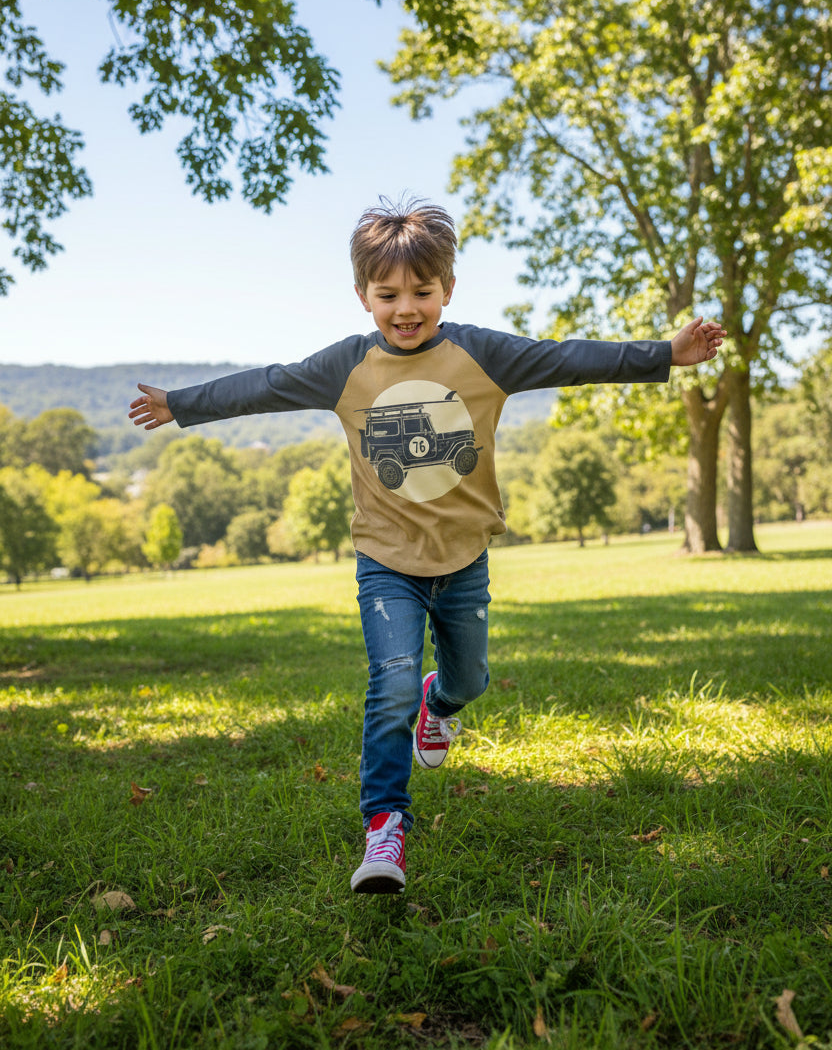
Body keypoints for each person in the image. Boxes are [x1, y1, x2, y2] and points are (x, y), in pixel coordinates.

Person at [128, 198, 726, 895]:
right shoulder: (346, 366)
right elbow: (267, 384)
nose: (406, 308)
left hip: (464, 559)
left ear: (448, 289)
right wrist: (182, 403)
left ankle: (439, 707)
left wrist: (665, 354)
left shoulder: (483, 354)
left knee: (468, 681)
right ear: (363, 296)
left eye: (422, 292)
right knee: (391, 684)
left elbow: (567, 358)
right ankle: (385, 825)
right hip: (386, 560)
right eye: (388, 295)